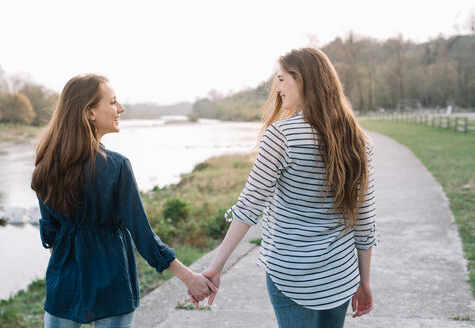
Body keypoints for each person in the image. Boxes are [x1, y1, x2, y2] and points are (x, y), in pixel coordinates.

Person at [200, 48, 379, 328]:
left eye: (283, 79)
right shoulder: (357, 139)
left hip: (291, 276)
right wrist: (364, 280)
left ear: (303, 79)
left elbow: (249, 207)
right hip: (340, 276)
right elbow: (364, 221)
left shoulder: (281, 136)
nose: (278, 88)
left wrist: (216, 266)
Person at [31, 74, 216, 327]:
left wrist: (71, 271)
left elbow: (50, 234)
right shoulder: (116, 166)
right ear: (90, 113)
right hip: (113, 285)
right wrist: (190, 278)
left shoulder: (46, 163)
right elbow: (144, 236)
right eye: (113, 102)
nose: (121, 108)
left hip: (64, 286)